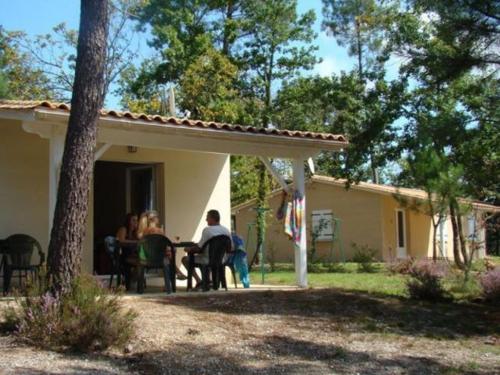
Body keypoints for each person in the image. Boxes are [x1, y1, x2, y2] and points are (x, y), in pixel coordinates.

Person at [181, 209, 232, 287]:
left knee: (185, 259)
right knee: (202, 258)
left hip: (207, 259)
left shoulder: (207, 230)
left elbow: (199, 248)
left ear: (212, 218)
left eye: (207, 217)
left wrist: (189, 249)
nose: (206, 220)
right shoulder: (226, 231)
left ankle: (199, 280)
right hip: (222, 260)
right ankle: (209, 280)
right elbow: (230, 248)